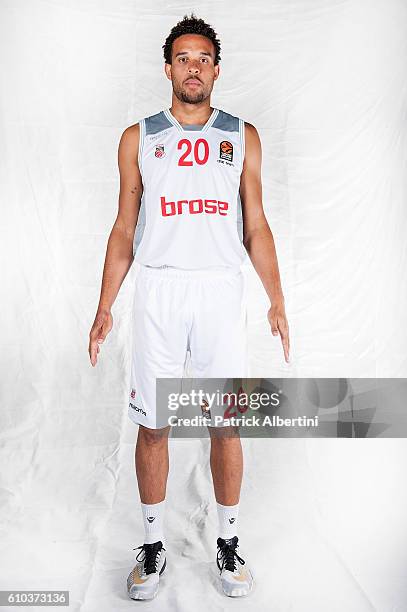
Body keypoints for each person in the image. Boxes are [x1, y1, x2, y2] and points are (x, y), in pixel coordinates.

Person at [88, 13, 290, 601]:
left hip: (220, 292)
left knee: (225, 422)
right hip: (159, 290)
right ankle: (152, 546)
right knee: (154, 424)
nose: (194, 67)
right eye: (184, 58)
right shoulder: (139, 137)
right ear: (169, 69)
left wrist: (277, 299)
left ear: (216, 69)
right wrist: (105, 306)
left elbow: (256, 225)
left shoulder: (241, 136)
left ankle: (226, 543)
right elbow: (124, 229)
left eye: (203, 58)